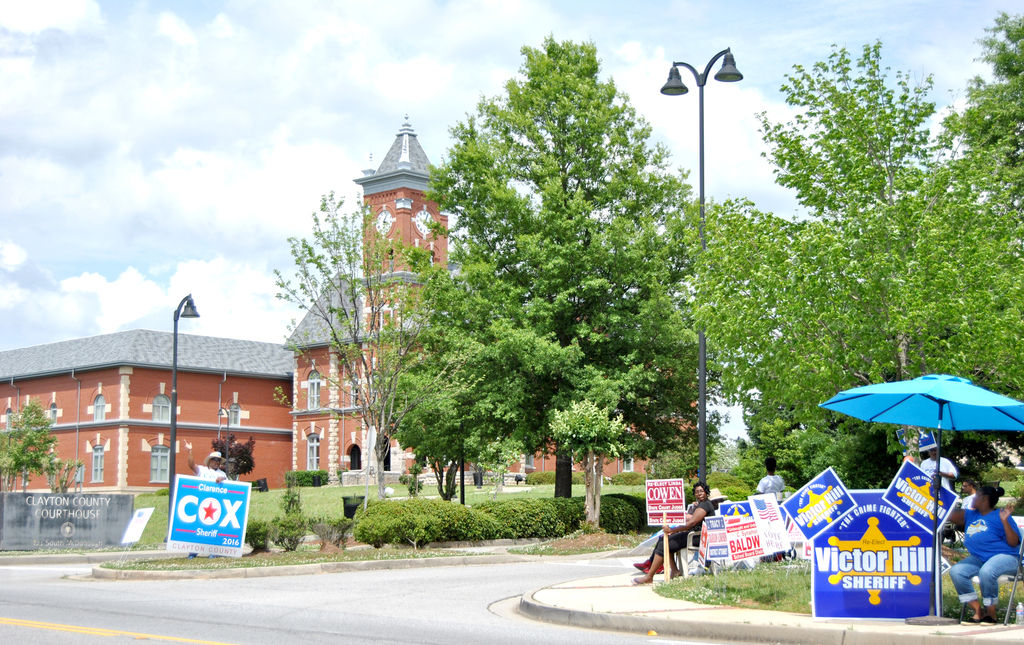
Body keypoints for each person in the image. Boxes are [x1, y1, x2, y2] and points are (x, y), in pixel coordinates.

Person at [947, 485, 1020, 624]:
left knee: (986, 571)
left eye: (976, 496)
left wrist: (1005, 521)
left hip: (1006, 557)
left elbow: (1013, 542)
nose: (973, 498)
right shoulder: (971, 514)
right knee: (957, 571)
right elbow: (948, 513)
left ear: (984, 499)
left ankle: (991, 614)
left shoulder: (1000, 515)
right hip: (979, 558)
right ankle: (978, 611)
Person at [632, 481, 714, 584]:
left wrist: (672, 530)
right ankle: (674, 570)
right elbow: (690, 520)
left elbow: (692, 522)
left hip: (698, 537)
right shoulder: (701, 504)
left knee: (664, 544)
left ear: (706, 492)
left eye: (701, 491)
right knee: (663, 539)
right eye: (697, 492)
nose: (699, 493)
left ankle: (649, 576)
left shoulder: (705, 505)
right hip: (694, 535)